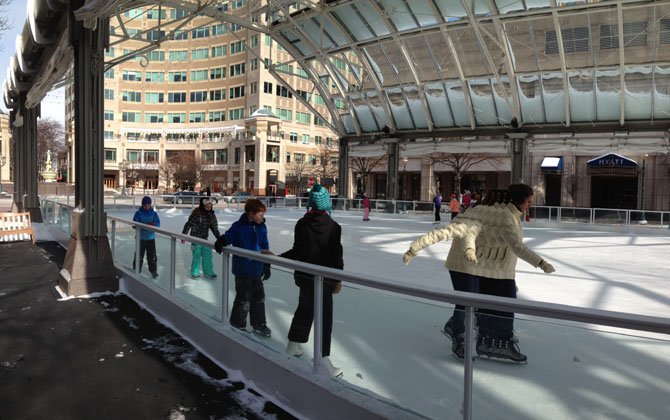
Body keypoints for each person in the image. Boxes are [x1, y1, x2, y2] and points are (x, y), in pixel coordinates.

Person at [403, 185, 555, 363]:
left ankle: (482, 334)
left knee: (487, 299)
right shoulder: (501, 216)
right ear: (518, 199)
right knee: (469, 302)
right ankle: (464, 336)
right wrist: (541, 263)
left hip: (486, 265)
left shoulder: (498, 213)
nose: (529, 205)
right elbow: (516, 246)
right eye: (528, 202)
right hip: (467, 264)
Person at [279, 183, 344, 377]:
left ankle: (293, 344)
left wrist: (279, 257)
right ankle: (322, 358)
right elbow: (336, 256)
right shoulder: (333, 227)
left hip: (305, 276)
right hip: (325, 278)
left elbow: (298, 251)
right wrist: (338, 278)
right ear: (327, 204)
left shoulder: (302, 223)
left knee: (305, 308)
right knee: (324, 316)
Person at [214, 199, 273, 337]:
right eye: (260, 214)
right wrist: (221, 241)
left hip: (257, 269)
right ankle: (237, 323)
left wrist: (267, 264)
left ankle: (259, 324)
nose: (262, 217)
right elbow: (229, 237)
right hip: (242, 270)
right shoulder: (238, 227)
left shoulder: (262, 227)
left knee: (259, 297)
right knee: (243, 298)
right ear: (251, 214)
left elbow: (265, 247)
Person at [182, 197, 221, 279]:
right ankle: (195, 272)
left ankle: (208, 272)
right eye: (206, 206)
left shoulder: (211, 215)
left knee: (208, 256)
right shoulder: (197, 213)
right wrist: (184, 235)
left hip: (204, 239)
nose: (208, 208)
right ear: (202, 206)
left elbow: (214, 227)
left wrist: (219, 237)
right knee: (196, 257)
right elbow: (189, 224)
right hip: (195, 239)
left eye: (210, 207)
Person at [132, 196, 160, 278]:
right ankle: (136, 269)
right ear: (142, 205)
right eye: (145, 205)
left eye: (148, 205)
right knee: (139, 255)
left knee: (152, 256)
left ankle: (153, 271)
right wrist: (146, 225)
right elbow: (135, 224)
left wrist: (148, 225)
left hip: (150, 238)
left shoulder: (154, 214)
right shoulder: (138, 213)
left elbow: (157, 224)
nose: (147, 207)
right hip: (141, 238)